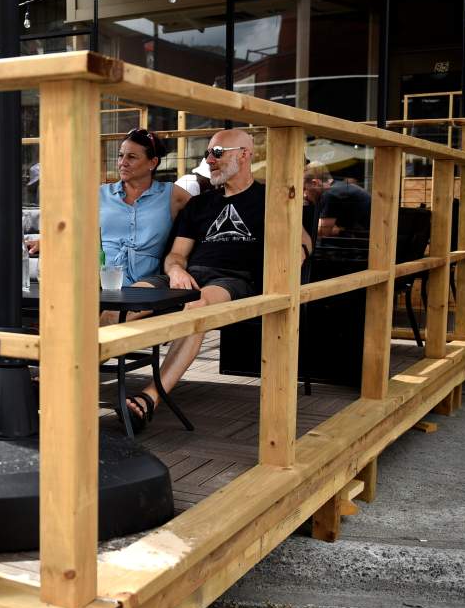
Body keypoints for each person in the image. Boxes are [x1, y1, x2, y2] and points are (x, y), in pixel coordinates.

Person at [123, 129, 311, 422]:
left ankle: (150, 397)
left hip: (233, 280)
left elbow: (303, 241)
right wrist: (175, 270)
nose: (209, 160)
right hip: (189, 276)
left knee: (197, 308)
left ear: (244, 155)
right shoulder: (200, 204)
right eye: (207, 153)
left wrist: (297, 255)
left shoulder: (270, 200)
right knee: (119, 303)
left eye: (218, 153)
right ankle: (63, 380)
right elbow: (176, 255)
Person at [27, 128, 211, 289]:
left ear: (152, 163)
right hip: (97, 279)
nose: (122, 162)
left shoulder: (172, 195)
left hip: (146, 283)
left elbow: (206, 218)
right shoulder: (100, 194)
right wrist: (48, 242)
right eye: (121, 155)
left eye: (131, 157)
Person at [303, 161, 371, 238]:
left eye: (304, 189)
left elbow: (322, 232)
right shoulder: (337, 189)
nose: (304, 195)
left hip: (365, 244)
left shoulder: (330, 194)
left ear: (315, 183)